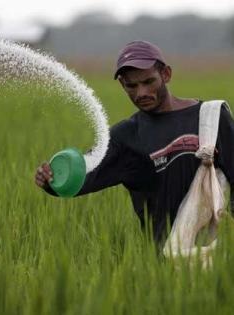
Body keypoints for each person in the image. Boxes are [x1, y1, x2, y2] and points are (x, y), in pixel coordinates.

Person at [35, 40, 234, 242]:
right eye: (132, 85)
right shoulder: (126, 137)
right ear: (122, 83)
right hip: (166, 260)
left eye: (148, 82)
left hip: (218, 253)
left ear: (166, 74)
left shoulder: (212, 117)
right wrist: (51, 180)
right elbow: (83, 177)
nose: (141, 93)